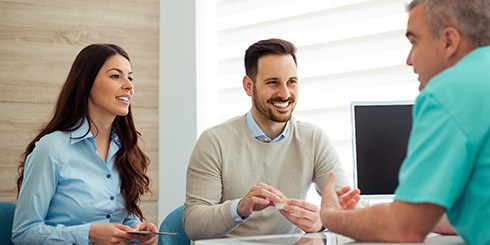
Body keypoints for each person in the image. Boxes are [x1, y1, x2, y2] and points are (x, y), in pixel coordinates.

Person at [319, 0, 490, 244]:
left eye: (414, 42)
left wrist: (330, 215)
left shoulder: (450, 91)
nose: (409, 60)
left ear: (449, 41)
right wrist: (364, 217)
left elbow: (404, 228)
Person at [183, 38, 359, 240]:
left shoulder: (314, 139)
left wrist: (322, 222)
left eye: (291, 82)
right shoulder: (214, 142)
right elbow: (193, 224)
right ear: (249, 86)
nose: (285, 93)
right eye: (273, 82)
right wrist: (239, 208)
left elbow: (347, 210)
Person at [12, 44, 158, 245]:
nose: (129, 86)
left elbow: (120, 218)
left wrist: (135, 229)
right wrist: (88, 235)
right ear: (87, 83)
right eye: (116, 76)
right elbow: (24, 234)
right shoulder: (51, 149)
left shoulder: (126, 150)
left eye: (130, 78)